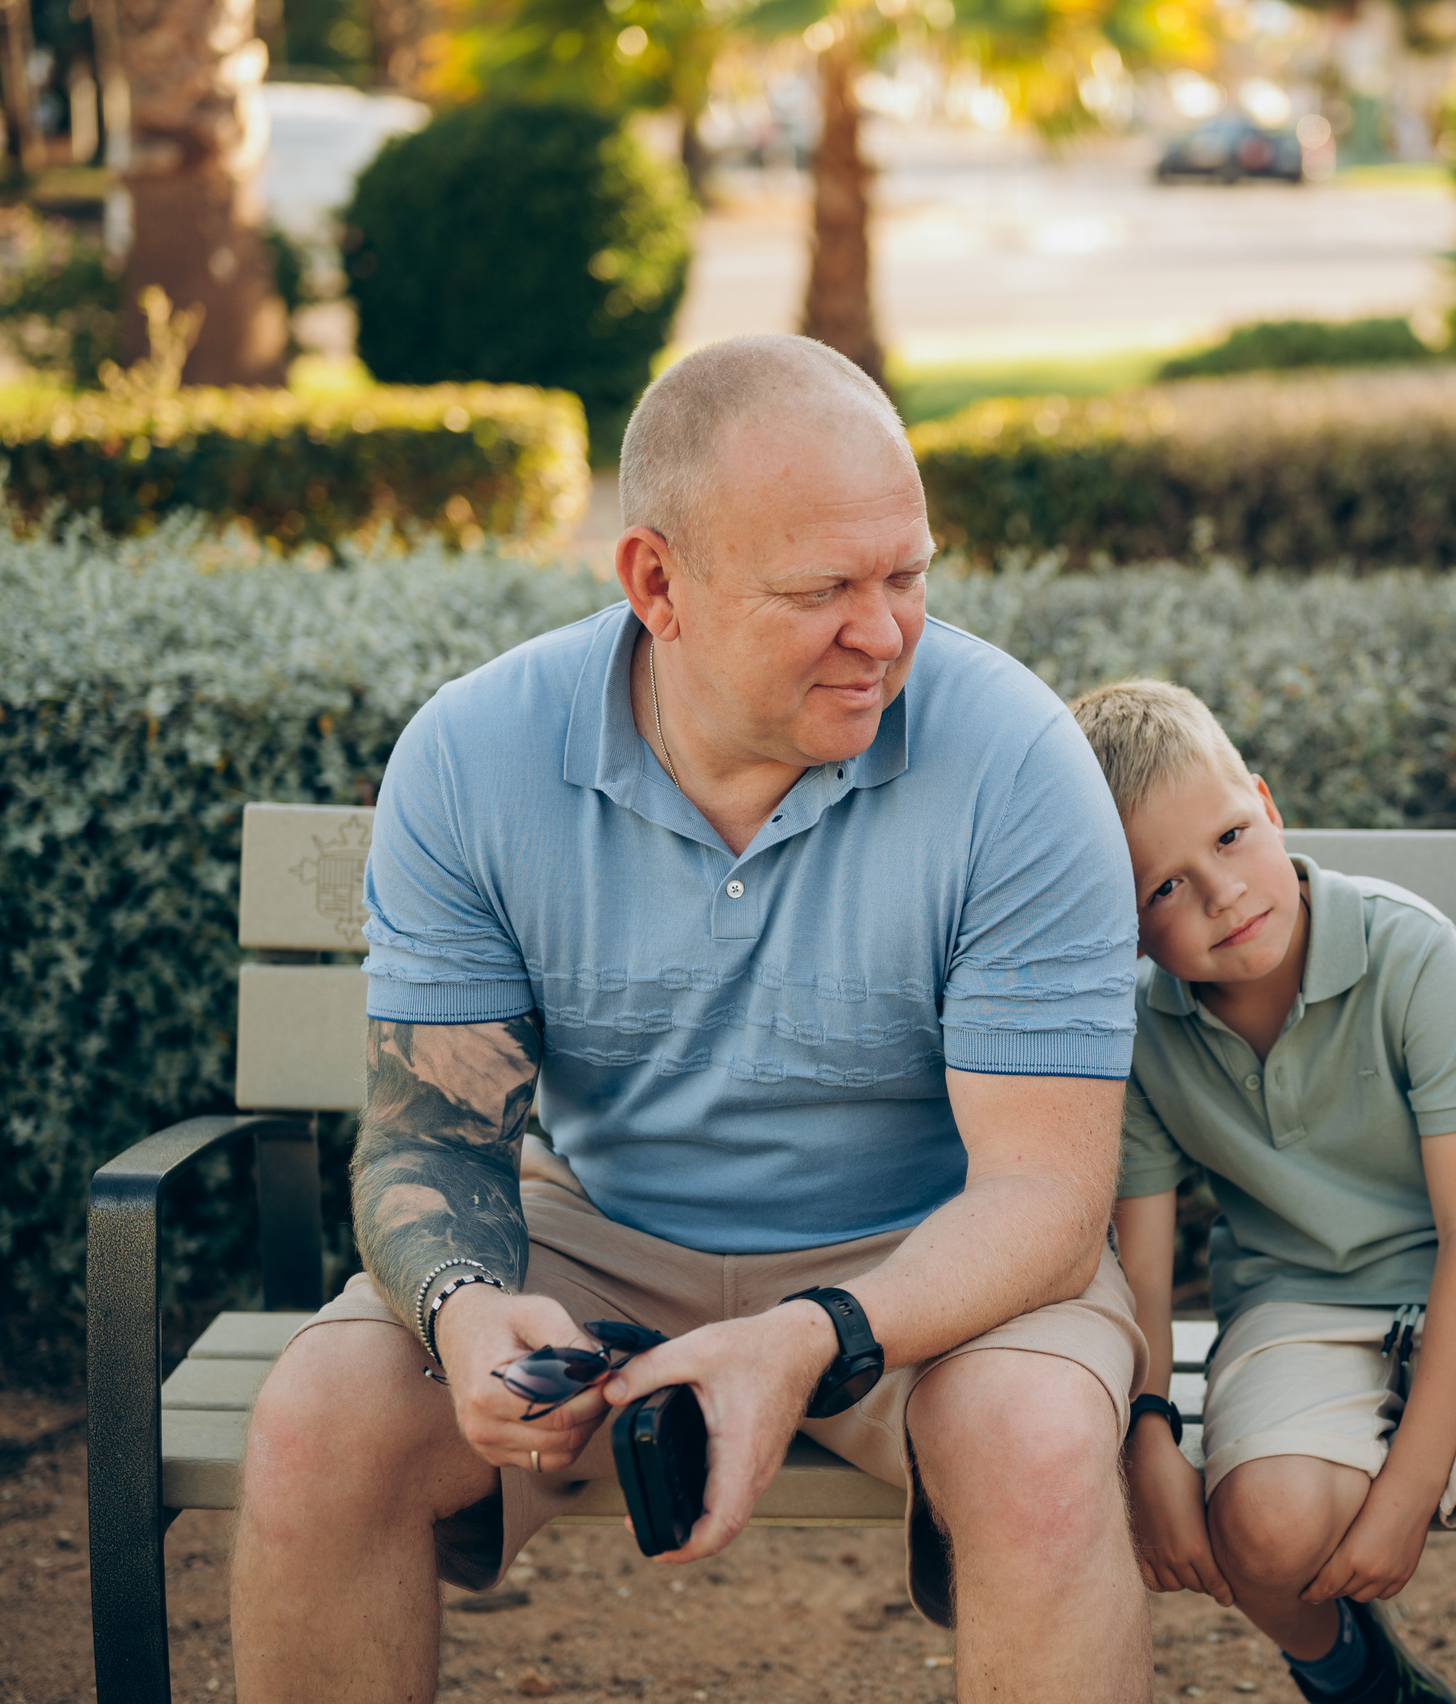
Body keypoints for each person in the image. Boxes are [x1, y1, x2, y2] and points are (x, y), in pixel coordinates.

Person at [231, 336, 1157, 1704]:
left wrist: (807, 1333)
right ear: (656, 582)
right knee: (321, 1420)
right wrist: (462, 1304)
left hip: (938, 1259)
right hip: (598, 1245)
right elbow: (429, 1142)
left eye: (908, 575)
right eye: (821, 590)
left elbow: (1046, 1196)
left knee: (1035, 1443)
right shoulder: (473, 756)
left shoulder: (1016, 759)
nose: (887, 631)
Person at [1073, 680, 1456, 1704]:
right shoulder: (1139, 1032)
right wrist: (1149, 1439)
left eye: (1230, 838)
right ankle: (1358, 1677)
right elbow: (1140, 1270)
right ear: (1125, 928)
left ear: (1268, 806)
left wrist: (1409, 1491)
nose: (1222, 893)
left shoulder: (1410, 955)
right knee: (1259, 1529)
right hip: (1295, 1298)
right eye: (1161, 889)